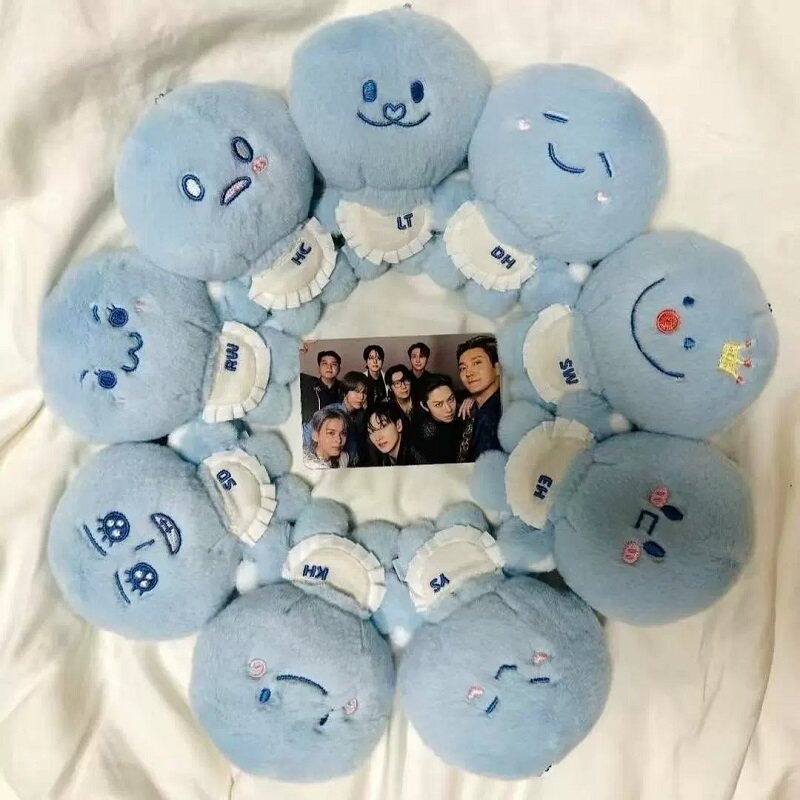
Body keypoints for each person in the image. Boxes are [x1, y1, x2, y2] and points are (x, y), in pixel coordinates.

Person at [302, 371, 369, 466]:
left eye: (364, 392)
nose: (361, 397)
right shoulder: (332, 411)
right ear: (345, 392)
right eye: (357, 391)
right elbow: (306, 436)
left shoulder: (361, 415)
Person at [457, 335, 502, 459]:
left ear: (497, 368)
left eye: (477, 363)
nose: (469, 373)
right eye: (463, 368)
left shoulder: (497, 414)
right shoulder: (473, 406)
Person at [415, 374, 473, 464]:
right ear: (424, 406)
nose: (449, 409)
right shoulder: (423, 435)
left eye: (451, 399)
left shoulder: (462, 409)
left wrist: (474, 399)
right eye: (438, 404)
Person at [366, 402, 427, 467]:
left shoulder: (417, 456)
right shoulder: (379, 458)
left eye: (383, 427)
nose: (378, 438)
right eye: (372, 431)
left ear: (399, 425)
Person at [299, 350, 342, 423]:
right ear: (318, 368)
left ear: (339, 369)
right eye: (324, 363)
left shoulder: (344, 388)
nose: (329, 367)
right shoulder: (306, 383)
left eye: (334, 364)